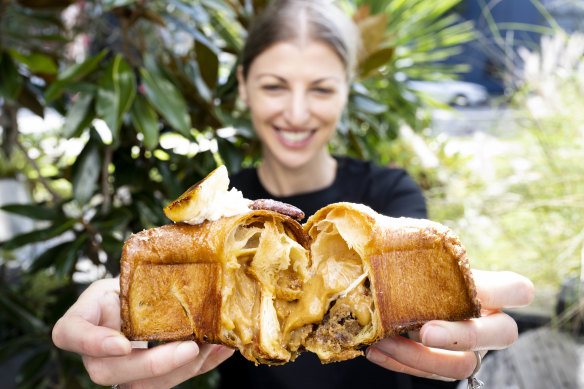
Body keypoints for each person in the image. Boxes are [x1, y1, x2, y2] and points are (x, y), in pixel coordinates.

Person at [52, 1, 535, 388]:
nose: (297, 112)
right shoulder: (211, 217)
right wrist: (131, 306)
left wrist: (466, 331)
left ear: (347, 91)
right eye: (275, 86)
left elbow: (424, 308)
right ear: (243, 86)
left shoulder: (390, 192)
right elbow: (157, 285)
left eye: (321, 89)